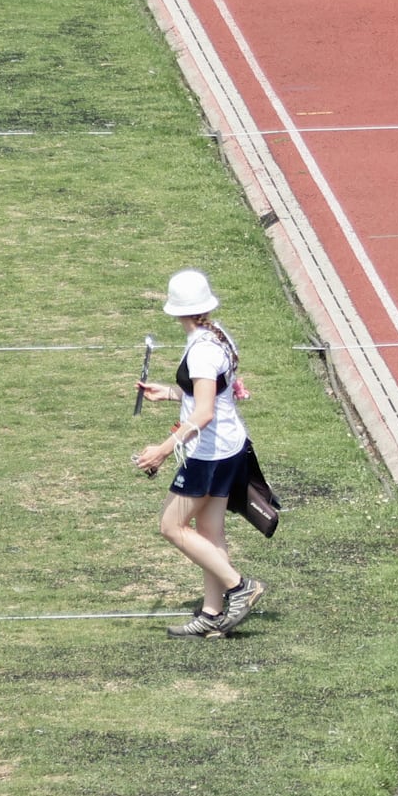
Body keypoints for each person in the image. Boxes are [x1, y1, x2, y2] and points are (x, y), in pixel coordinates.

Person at [132, 269, 269, 639]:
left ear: (177, 310)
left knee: (170, 526)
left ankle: (239, 586)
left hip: (209, 454)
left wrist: (162, 450)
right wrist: (170, 392)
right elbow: (212, 395)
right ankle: (212, 614)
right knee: (209, 530)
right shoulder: (216, 335)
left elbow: (204, 414)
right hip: (228, 448)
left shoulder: (202, 352)